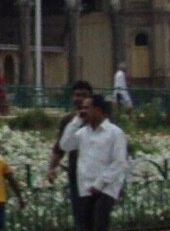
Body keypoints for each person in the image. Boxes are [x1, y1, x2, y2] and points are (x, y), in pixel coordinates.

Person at [60, 94, 128, 231]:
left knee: (99, 221)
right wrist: (76, 121)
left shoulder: (115, 133)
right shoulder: (83, 133)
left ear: (97, 109)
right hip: (86, 186)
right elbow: (65, 145)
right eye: (82, 108)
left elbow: (119, 162)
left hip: (106, 186)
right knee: (87, 224)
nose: (83, 111)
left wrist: (100, 183)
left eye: (87, 108)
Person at [46, 81, 96, 230]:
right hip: (76, 173)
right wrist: (51, 168)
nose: (80, 98)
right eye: (76, 95)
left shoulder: (99, 119)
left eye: (84, 95)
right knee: (79, 216)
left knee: (96, 217)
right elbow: (59, 148)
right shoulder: (68, 121)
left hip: (97, 174)